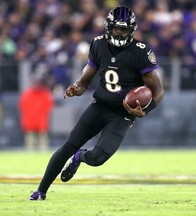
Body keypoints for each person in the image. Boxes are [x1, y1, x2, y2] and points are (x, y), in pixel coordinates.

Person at [29, 6, 164, 200]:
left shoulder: (141, 52)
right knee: (68, 146)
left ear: (132, 30)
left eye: (124, 29)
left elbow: (158, 91)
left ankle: (80, 157)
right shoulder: (98, 44)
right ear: (108, 27)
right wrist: (76, 88)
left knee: (97, 158)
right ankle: (40, 191)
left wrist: (147, 109)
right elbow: (85, 82)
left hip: (122, 114)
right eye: (116, 28)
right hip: (99, 106)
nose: (120, 32)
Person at [19, 72, 54, 151]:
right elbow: (22, 107)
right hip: (31, 123)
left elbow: (49, 107)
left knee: (43, 144)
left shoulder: (44, 94)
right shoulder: (27, 94)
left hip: (40, 122)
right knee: (31, 144)